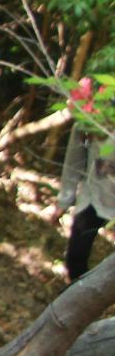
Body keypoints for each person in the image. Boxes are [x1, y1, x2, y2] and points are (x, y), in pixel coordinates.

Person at [57, 115, 112, 281]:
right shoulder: (88, 119)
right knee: (76, 257)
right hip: (93, 197)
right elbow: (74, 161)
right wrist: (64, 200)